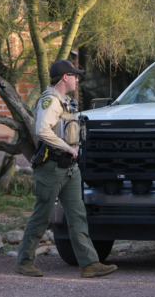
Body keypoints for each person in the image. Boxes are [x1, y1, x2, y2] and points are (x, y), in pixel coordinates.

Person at [16, 60, 118, 278]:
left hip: (69, 168)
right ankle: (24, 262)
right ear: (64, 77)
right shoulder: (50, 101)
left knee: (78, 215)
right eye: (75, 75)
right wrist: (67, 148)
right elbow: (42, 131)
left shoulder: (67, 101)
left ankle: (90, 264)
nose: (77, 79)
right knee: (42, 215)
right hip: (51, 167)